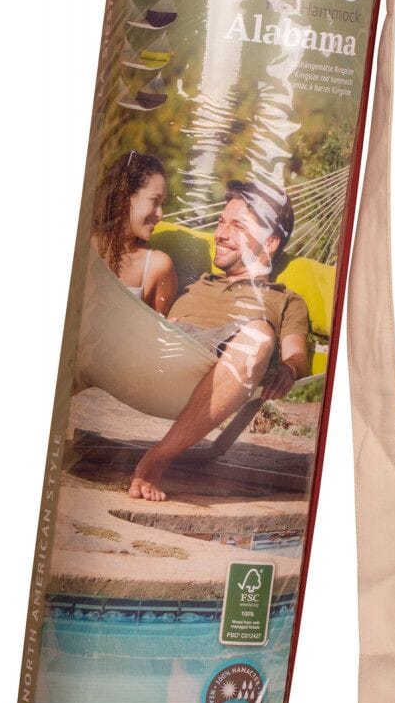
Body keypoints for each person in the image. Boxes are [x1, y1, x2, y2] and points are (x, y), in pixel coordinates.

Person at [129, 180, 309, 501]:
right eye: (221, 222)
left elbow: (296, 356)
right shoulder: (193, 281)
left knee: (258, 335)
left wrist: (288, 370)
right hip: (165, 352)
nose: (220, 235)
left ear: (269, 243)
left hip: (225, 362)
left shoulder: (285, 300)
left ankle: (159, 457)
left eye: (237, 226)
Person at [91, 150, 178, 315]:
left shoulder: (157, 266)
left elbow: (159, 330)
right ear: (125, 197)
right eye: (154, 201)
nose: (160, 215)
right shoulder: (83, 245)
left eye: (162, 204)